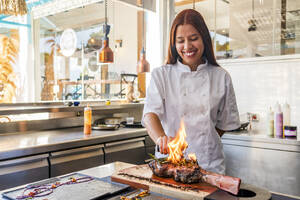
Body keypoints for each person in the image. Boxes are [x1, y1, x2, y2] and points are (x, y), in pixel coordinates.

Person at [142, 9, 240, 174]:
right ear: (174, 43)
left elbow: (224, 124)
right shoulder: (162, 75)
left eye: (193, 39)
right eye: (180, 40)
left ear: (204, 39)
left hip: (209, 165)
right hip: (169, 165)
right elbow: (150, 114)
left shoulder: (221, 77)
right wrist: (161, 138)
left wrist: (206, 141)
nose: (187, 46)